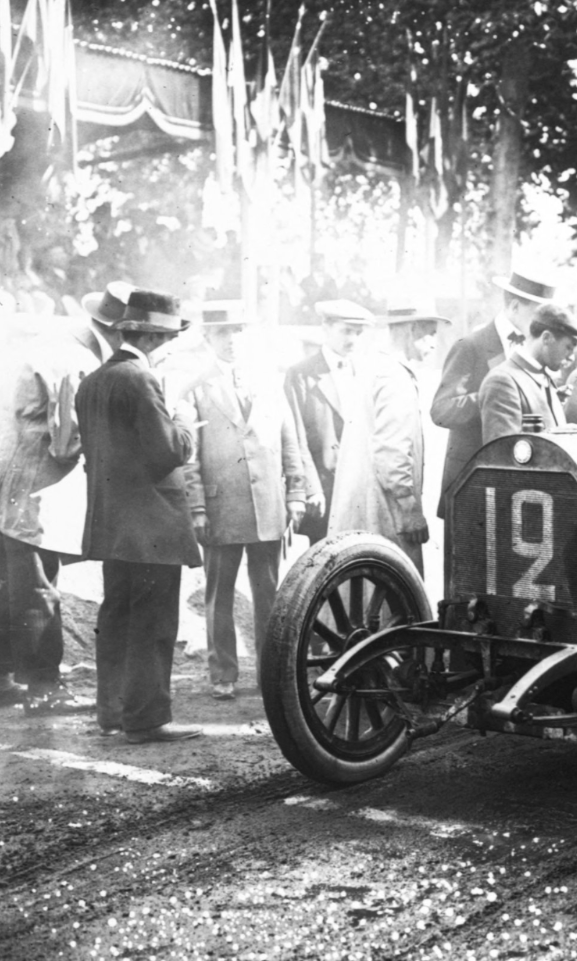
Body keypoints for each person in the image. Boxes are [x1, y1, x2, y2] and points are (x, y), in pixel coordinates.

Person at [0, 284, 126, 714]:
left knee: (1, 583)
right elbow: (65, 444)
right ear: (119, 332)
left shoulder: (52, 344)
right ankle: (44, 688)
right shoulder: (79, 362)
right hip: (28, 486)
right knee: (38, 586)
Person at [74, 288, 203, 744]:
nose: (169, 349)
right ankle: (146, 720)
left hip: (113, 526)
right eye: (167, 341)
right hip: (152, 528)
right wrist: (184, 424)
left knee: (117, 618)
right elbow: (167, 452)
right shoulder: (141, 380)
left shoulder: (92, 382)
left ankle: (112, 713)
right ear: (151, 338)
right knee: (152, 623)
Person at [178, 301, 308, 699]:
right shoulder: (196, 387)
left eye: (238, 331)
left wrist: (296, 493)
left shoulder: (269, 382)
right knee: (219, 594)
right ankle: (223, 673)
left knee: (269, 593)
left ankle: (271, 671)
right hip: (221, 508)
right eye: (223, 332)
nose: (232, 339)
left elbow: (290, 441)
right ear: (208, 337)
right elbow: (190, 457)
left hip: (268, 505)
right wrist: (197, 507)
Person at [331, 297, 450, 575]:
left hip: (364, 512)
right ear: (411, 330)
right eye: (430, 333)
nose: (435, 343)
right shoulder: (394, 377)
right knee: (393, 590)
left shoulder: (375, 367)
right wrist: (409, 508)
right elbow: (391, 453)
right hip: (385, 515)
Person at [431, 268, 558, 515]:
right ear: (514, 306)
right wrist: (493, 396)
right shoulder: (470, 346)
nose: (545, 324)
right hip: (470, 484)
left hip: (519, 485)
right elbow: (441, 411)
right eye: (539, 314)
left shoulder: (538, 348)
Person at [284, 299, 373, 543]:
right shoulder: (301, 374)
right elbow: (297, 438)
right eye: (346, 331)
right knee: (325, 557)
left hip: (360, 489)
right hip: (323, 491)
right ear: (326, 328)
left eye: (358, 333)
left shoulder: (366, 371)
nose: (353, 339)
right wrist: (311, 488)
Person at [479, 302, 577, 442]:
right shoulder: (503, 381)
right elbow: (503, 450)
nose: (571, 357)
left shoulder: (543, 378)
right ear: (546, 338)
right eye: (568, 347)